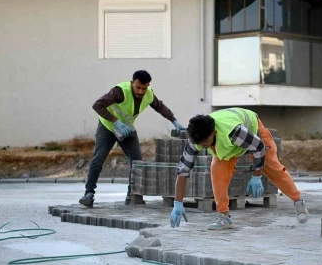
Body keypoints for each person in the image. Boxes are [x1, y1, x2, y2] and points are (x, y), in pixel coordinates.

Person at [169, 107, 309, 230]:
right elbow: (183, 171)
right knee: (217, 172)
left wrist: (256, 176)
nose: (203, 146)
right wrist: (178, 203)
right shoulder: (195, 139)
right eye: (200, 144)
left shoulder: (234, 132)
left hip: (253, 133)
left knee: (273, 167)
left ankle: (298, 201)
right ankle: (224, 217)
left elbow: (258, 147)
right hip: (229, 146)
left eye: (205, 142)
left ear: (214, 132)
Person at [79, 70, 184, 208]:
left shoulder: (149, 94)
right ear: (132, 83)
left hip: (128, 129)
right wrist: (115, 121)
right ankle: (89, 194)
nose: (141, 91)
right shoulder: (120, 91)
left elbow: (159, 106)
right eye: (138, 87)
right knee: (98, 159)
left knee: (136, 161)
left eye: (144, 88)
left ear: (148, 86)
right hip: (108, 127)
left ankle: (131, 195)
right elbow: (97, 105)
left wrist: (174, 120)